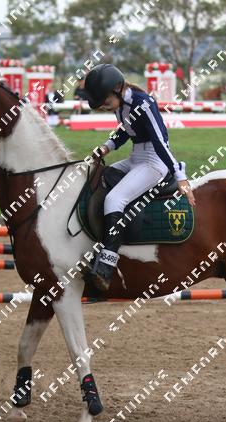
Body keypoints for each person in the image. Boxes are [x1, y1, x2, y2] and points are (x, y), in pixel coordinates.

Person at [81, 64, 195, 292]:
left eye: (105, 100)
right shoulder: (121, 104)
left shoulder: (143, 103)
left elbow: (160, 142)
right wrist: (106, 147)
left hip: (154, 161)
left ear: (117, 88)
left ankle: (106, 265)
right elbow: (125, 131)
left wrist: (180, 176)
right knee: (97, 177)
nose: (103, 105)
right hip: (136, 158)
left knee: (114, 200)